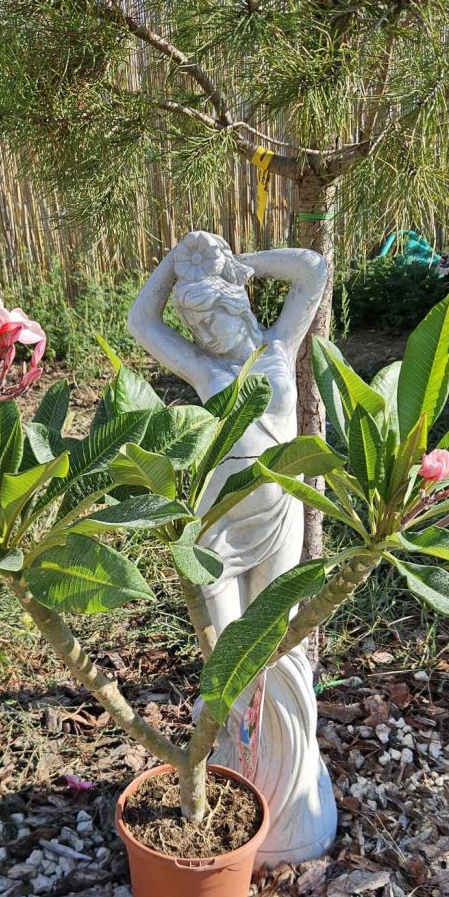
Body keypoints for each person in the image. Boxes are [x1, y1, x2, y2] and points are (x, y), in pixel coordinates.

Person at [127, 231, 337, 865]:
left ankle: (287, 783)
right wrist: (177, 259)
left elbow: (312, 271)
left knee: (272, 646)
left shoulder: (277, 349)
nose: (205, 334)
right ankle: (227, 771)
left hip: (278, 517)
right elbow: (141, 320)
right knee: (222, 657)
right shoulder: (206, 369)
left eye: (212, 317)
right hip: (216, 529)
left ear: (237, 307)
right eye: (194, 325)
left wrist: (232, 264)